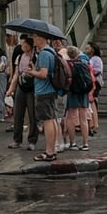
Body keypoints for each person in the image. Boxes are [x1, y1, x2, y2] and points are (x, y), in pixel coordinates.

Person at [27, 32, 61, 161]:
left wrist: (32, 72)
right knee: (51, 120)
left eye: (35, 37)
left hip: (44, 92)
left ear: (41, 38)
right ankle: (52, 150)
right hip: (50, 90)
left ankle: (49, 151)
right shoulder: (51, 51)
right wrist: (35, 69)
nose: (33, 40)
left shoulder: (44, 54)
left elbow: (43, 74)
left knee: (47, 121)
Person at [6, 34, 38, 150]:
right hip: (21, 86)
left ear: (30, 45)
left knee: (32, 114)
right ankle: (17, 140)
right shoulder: (19, 57)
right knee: (17, 113)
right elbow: (16, 74)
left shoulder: (36, 57)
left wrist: (33, 69)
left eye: (24, 43)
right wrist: (11, 89)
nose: (22, 45)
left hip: (32, 88)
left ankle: (32, 140)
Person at [63, 46, 91, 151]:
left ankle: (73, 143)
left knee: (71, 118)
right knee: (83, 118)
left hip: (73, 92)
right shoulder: (84, 63)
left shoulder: (68, 64)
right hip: (84, 91)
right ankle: (85, 144)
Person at [84, 42, 103, 135]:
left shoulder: (96, 59)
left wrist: (90, 75)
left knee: (93, 102)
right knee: (92, 103)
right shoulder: (91, 58)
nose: (86, 49)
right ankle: (92, 123)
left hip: (95, 82)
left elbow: (98, 70)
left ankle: (94, 124)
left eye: (88, 47)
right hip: (93, 81)